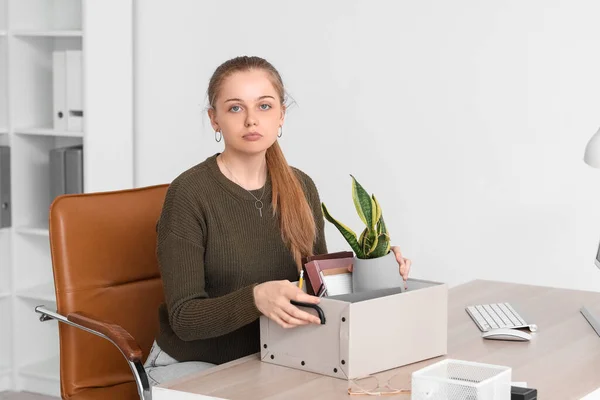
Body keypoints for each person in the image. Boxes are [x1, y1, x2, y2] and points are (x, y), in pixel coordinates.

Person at [143, 56, 412, 386]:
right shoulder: (189, 194)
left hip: (274, 358)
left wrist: (376, 269)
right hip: (193, 364)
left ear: (282, 114)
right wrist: (255, 299)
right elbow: (184, 318)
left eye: (265, 106)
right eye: (235, 108)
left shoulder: (300, 186)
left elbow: (318, 289)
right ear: (215, 120)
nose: (252, 120)